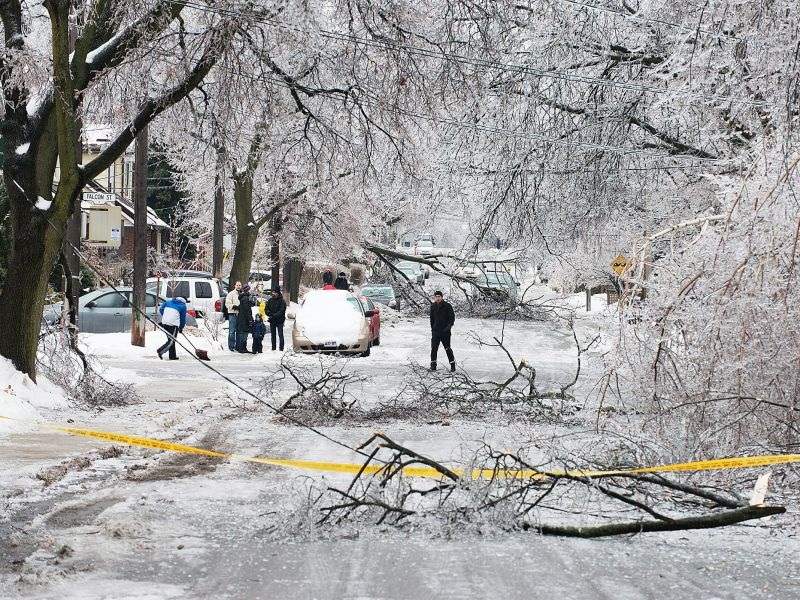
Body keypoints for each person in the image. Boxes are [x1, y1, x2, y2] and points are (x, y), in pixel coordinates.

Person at [429, 290, 456, 371]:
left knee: (447, 348)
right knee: (434, 349)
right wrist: (432, 328)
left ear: (442, 297)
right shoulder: (433, 306)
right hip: (436, 332)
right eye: (436, 297)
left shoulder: (447, 306)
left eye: (439, 297)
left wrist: (448, 327)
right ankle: (433, 365)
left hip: (445, 332)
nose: (437, 298)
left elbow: (452, 318)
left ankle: (452, 365)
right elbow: (431, 318)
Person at [157, 296, 187, 360]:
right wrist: (181, 327)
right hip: (173, 324)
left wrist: (166, 316)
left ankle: (172, 356)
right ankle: (160, 351)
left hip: (164, 322)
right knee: (171, 341)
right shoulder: (183, 306)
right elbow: (182, 318)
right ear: (184, 301)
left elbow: (161, 309)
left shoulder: (168, 302)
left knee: (171, 340)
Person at [266, 285, 287, 351]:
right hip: (272, 320)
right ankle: (273, 347)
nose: (273, 293)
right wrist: (269, 314)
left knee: (280, 334)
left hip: (279, 321)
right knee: (273, 335)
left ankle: (281, 348)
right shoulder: (270, 300)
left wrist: (273, 315)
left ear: (278, 292)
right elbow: (266, 309)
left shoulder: (282, 301)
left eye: (274, 292)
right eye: (273, 292)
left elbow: (281, 311)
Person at [236, 284, 255, 353]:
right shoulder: (245, 299)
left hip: (242, 317)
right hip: (244, 319)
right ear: (247, 290)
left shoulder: (243, 298)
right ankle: (242, 348)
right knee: (244, 333)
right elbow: (247, 310)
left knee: (242, 333)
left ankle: (240, 347)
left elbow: (242, 307)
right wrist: (250, 319)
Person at [225, 281, 242, 351]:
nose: (238, 286)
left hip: (240, 315)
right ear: (235, 286)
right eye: (237, 285)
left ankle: (237, 346)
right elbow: (227, 304)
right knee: (232, 331)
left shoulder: (242, 294)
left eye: (240, 285)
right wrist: (234, 306)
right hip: (232, 315)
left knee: (239, 331)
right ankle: (231, 346)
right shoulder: (231, 294)